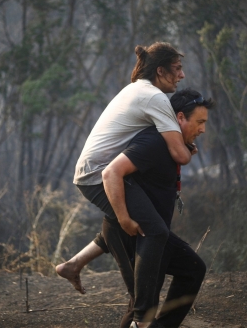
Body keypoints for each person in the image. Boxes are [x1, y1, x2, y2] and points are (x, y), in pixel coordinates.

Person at [58, 89, 214, 328]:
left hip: (150, 232)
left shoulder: (175, 146)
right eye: (200, 122)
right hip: (134, 234)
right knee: (141, 305)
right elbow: (111, 174)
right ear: (180, 117)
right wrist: (122, 220)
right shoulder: (153, 141)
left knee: (192, 270)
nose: (203, 129)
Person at [72, 42, 194, 328]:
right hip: (99, 175)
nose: (182, 75)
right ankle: (142, 319)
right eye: (177, 69)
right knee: (153, 231)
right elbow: (179, 154)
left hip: (96, 173)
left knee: (136, 228)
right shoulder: (154, 97)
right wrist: (189, 145)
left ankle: (73, 264)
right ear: (160, 71)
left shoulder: (137, 89)